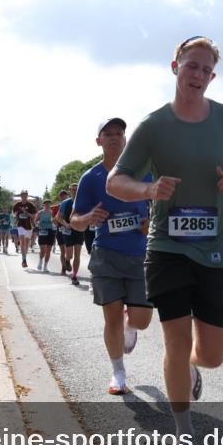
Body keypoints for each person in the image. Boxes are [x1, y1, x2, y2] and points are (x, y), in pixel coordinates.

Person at [107, 35, 223, 445]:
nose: (199, 76)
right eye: (191, 66)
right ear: (175, 66)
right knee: (175, 337)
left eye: (206, 70)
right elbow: (118, 180)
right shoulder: (153, 126)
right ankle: (183, 433)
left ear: (213, 76)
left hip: (217, 251)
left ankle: (190, 370)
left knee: (211, 354)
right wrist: (149, 189)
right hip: (167, 247)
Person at [71, 117, 154, 395]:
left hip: (141, 255)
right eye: (108, 134)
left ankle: (133, 324)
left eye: (119, 133)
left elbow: (163, 202)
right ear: (99, 141)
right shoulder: (91, 178)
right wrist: (88, 217)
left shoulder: (143, 171)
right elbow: (74, 220)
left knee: (142, 318)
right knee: (111, 318)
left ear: (125, 139)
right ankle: (118, 372)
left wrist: (151, 222)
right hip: (106, 254)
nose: (115, 137)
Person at [58, 183, 85, 286]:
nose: (74, 191)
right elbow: (58, 217)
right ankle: (67, 261)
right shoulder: (65, 203)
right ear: (70, 190)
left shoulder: (83, 202)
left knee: (77, 254)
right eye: (72, 190)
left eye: (76, 189)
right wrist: (66, 224)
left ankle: (74, 276)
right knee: (69, 254)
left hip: (79, 230)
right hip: (68, 230)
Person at [12, 191, 37, 267]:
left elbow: (34, 216)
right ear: (21, 196)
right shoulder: (17, 205)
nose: (24, 197)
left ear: (27, 196)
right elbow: (13, 213)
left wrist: (27, 213)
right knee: (22, 242)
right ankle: (24, 260)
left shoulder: (31, 205)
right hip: (20, 225)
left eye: (25, 195)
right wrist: (15, 214)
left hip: (29, 226)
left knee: (26, 244)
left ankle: (24, 257)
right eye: (22, 195)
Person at [34, 198, 56, 271]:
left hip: (50, 231)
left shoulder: (52, 212)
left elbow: (55, 222)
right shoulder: (40, 213)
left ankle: (45, 266)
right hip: (42, 231)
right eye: (46, 203)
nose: (47, 205)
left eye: (48, 203)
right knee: (43, 249)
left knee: (48, 250)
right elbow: (35, 222)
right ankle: (40, 262)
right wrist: (38, 224)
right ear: (43, 204)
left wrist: (53, 222)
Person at [52, 189, 69, 274]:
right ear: (59, 197)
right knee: (63, 250)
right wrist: (59, 223)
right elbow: (54, 220)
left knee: (68, 250)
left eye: (65, 195)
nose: (63, 197)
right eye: (62, 196)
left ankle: (67, 262)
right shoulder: (56, 207)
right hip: (60, 230)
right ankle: (63, 267)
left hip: (69, 230)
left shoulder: (71, 204)